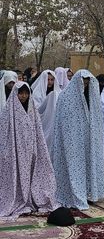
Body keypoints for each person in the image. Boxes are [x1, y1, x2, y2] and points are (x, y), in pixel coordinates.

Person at [0, 82, 59, 219]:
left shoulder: (32, 109)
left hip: (30, 150)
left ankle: (30, 198)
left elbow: (37, 129)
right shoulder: (8, 111)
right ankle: (19, 199)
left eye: (26, 93)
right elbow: (4, 134)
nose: (24, 96)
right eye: (21, 93)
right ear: (16, 93)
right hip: (14, 152)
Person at [52, 70, 104, 210]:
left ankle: (89, 192)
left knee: (89, 164)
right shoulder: (65, 97)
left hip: (89, 139)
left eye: (88, 81)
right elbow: (63, 122)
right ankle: (74, 194)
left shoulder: (92, 96)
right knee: (74, 167)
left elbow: (95, 119)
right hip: (72, 142)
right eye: (83, 81)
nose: (85, 84)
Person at [30, 69, 61, 150]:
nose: (50, 82)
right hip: (41, 123)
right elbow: (36, 108)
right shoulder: (37, 93)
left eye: (52, 79)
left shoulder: (58, 92)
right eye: (48, 79)